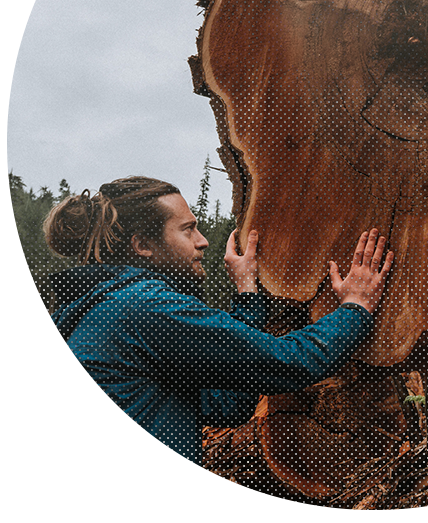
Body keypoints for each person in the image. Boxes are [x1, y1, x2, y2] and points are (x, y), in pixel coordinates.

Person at [44, 175, 392, 465]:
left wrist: (247, 292)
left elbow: (229, 403)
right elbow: (289, 362)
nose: (203, 241)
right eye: (187, 230)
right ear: (143, 244)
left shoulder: (98, 309)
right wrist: (355, 306)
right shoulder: (142, 308)